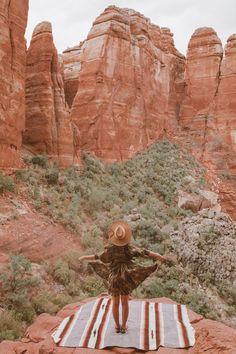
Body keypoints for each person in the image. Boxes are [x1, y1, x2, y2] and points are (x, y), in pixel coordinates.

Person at [79, 220, 175, 334]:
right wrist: (158, 255)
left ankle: (117, 326)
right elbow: (143, 252)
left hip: (114, 278)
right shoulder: (129, 248)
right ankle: (124, 326)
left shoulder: (110, 249)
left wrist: (84, 257)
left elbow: (97, 256)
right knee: (124, 303)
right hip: (125, 277)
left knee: (115, 303)